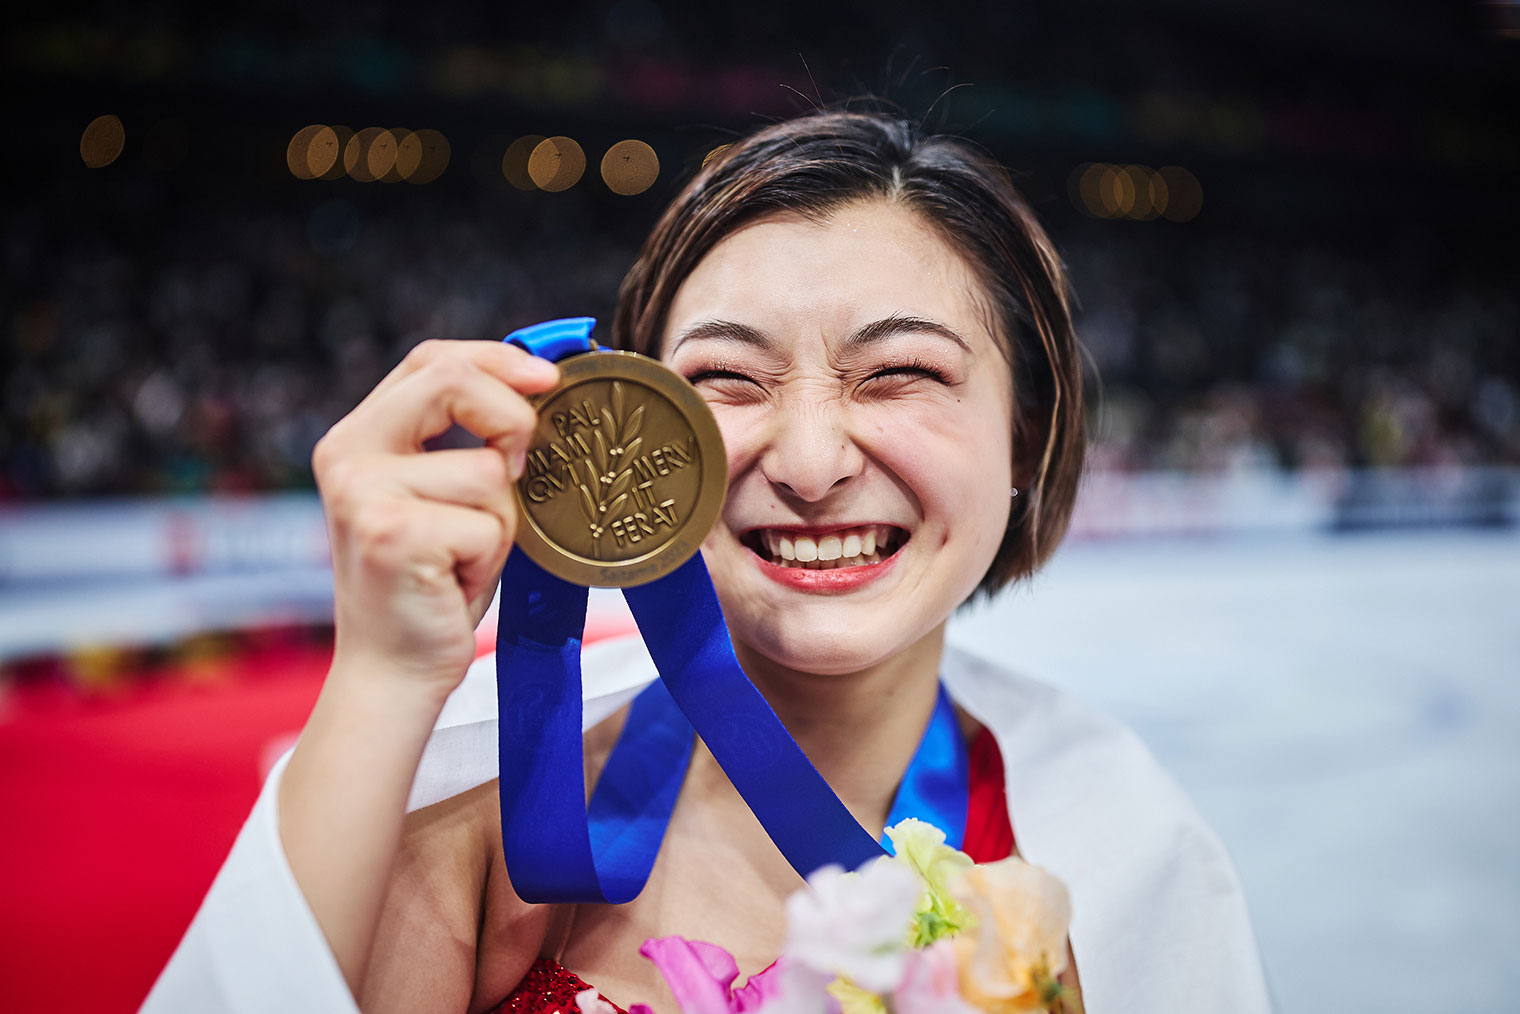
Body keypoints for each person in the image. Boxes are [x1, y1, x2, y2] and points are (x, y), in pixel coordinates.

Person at [143, 109, 1271, 1014]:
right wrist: (384, 680)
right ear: (641, 434)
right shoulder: (480, 824)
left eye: (900, 375)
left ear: (1023, 435)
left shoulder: (1119, 850)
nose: (815, 460)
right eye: (729, 380)